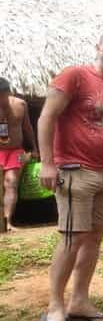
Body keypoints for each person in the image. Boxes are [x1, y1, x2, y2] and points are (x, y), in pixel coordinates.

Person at [38, 31, 103, 321]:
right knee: (71, 239)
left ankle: (79, 301)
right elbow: (47, 117)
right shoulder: (74, 75)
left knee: (94, 239)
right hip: (76, 170)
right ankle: (54, 306)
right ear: (98, 48)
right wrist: (48, 162)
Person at [0, 77, 38, 230]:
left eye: (2, 95)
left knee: (11, 183)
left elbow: (27, 127)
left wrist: (34, 148)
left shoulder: (20, 105)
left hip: (17, 151)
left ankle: (8, 221)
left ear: (8, 93)